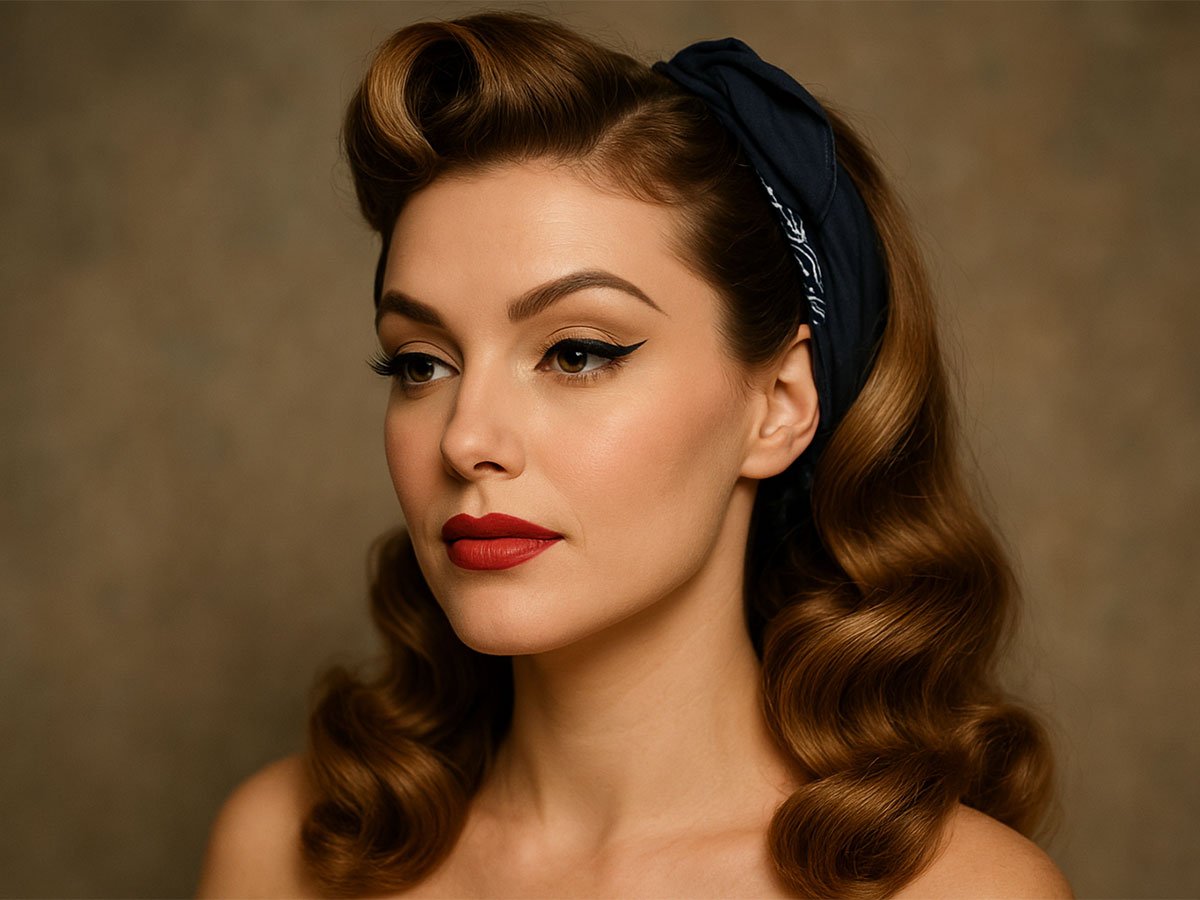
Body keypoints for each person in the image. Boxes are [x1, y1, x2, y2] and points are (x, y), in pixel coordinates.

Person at [197, 10, 1072, 898]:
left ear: (778, 406)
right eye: (422, 363)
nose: (466, 439)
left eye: (577, 352)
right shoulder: (283, 851)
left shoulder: (957, 891)